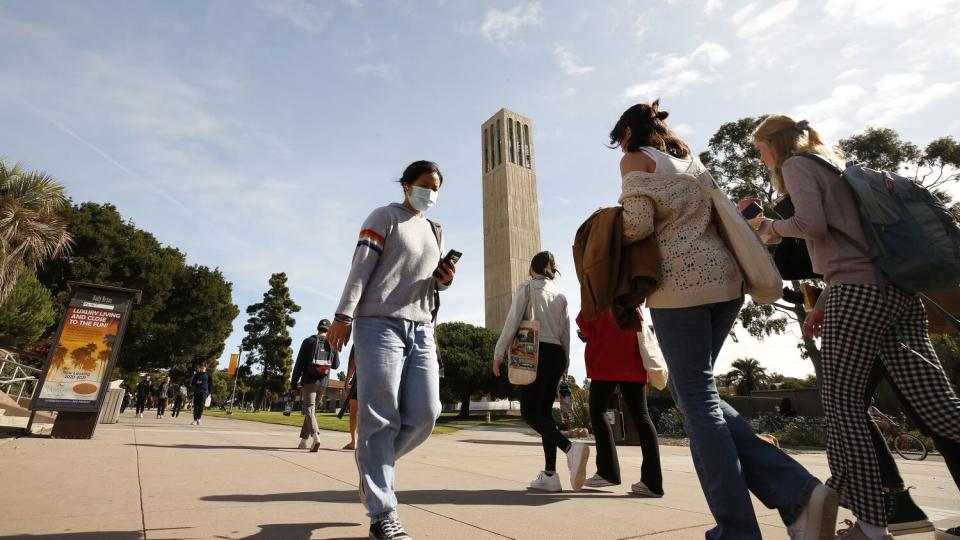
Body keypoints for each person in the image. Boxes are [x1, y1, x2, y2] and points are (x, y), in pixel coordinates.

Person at [612, 100, 837, 539]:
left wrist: (606, 226)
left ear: (626, 134)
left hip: (681, 286)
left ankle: (747, 525)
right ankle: (796, 494)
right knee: (692, 389)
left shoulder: (634, 159)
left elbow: (635, 226)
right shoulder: (687, 159)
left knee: (696, 400)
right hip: (727, 283)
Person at [750, 114, 960, 540]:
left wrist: (769, 228)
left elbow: (812, 225)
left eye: (760, 149)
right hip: (896, 294)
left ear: (774, 144)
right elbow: (860, 244)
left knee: (844, 408)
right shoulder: (834, 165)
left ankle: (871, 526)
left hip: (858, 297)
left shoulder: (796, 166)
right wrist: (825, 297)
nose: (761, 157)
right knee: (940, 407)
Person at [325, 160, 456, 540]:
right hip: (379, 323)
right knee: (379, 417)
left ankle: (373, 464)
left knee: (427, 413)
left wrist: (444, 283)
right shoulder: (384, 217)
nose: (430, 193)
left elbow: (425, 283)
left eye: (436, 187)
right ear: (406, 185)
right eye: (424, 184)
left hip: (422, 327)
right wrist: (342, 316)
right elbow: (361, 268)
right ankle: (383, 513)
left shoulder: (435, 230)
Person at [492, 251, 587, 493]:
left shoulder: (527, 288)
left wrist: (498, 353)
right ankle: (550, 475)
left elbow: (512, 321)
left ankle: (569, 448)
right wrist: (566, 363)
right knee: (544, 415)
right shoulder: (561, 295)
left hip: (534, 352)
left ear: (531, 268)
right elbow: (566, 332)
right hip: (557, 355)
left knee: (529, 412)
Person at [576, 309, 662, 497]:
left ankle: (608, 472)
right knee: (642, 415)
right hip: (633, 358)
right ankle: (652, 482)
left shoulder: (598, 291)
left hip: (606, 359)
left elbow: (584, 324)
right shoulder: (631, 289)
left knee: (597, 409)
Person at [291, 319, 341, 452]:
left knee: (308, 408)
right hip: (324, 382)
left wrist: (293, 383)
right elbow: (336, 365)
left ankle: (316, 436)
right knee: (311, 411)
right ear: (328, 330)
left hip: (309, 381)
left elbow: (299, 364)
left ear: (318, 328)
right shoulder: (332, 342)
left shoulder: (308, 341)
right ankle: (303, 441)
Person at [343, 346, 359, 451]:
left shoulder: (360, 337)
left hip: (360, 379)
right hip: (380, 379)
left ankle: (354, 442)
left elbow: (353, 362)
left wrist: (347, 379)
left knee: (354, 412)